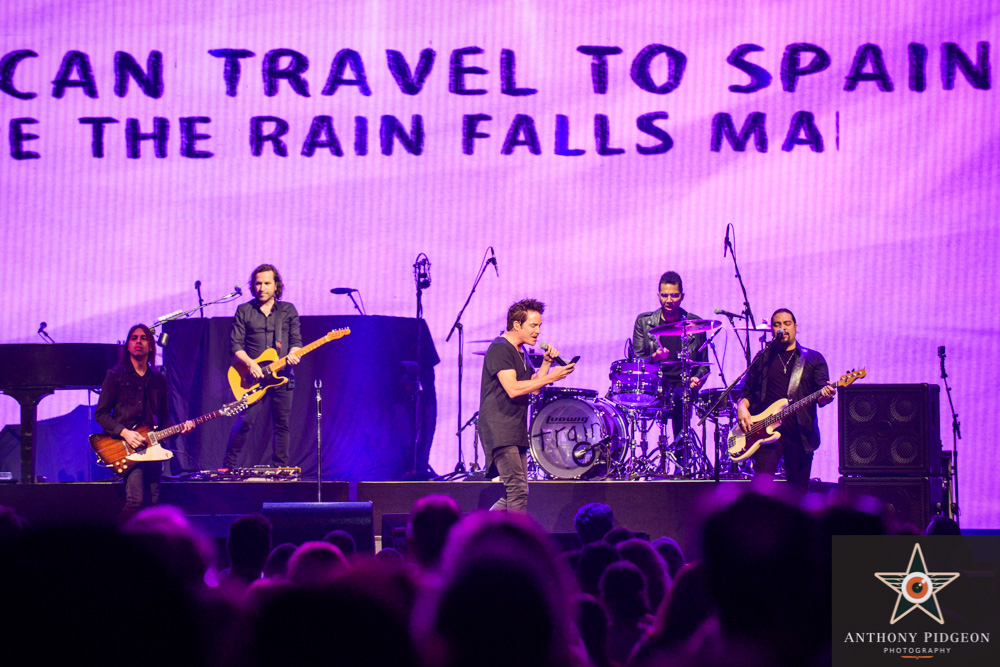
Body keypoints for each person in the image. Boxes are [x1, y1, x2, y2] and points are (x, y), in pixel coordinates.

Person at [478, 298, 575, 513]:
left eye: (539, 325)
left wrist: (547, 364)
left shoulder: (521, 352)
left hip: (515, 428)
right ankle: (514, 534)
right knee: (517, 490)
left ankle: (483, 527)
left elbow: (534, 388)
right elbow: (513, 388)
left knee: (517, 491)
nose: (538, 331)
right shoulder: (500, 348)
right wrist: (553, 377)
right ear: (517, 325)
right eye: (533, 325)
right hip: (500, 427)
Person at [95, 324, 194, 522]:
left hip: (153, 446)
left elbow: (163, 418)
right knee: (135, 501)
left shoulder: (158, 379)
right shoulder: (115, 375)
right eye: (133, 338)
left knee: (154, 502)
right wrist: (124, 432)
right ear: (128, 345)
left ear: (150, 346)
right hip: (127, 447)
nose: (138, 341)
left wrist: (179, 429)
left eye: (143, 338)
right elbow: (101, 414)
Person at [736, 308, 836, 493]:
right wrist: (741, 405)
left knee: (798, 493)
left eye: (787, 324)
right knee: (760, 491)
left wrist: (826, 396)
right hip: (766, 432)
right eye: (777, 325)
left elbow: (822, 397)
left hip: (800, 434)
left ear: (796, 327)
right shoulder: (763, 358)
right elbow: (747, 390)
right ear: (772, 330)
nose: (782, 328)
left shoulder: (813, 358)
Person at [224, 264, 302, 468]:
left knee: (282, 424)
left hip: (282, 375)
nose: (262, 288)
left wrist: (294, 352)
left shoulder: (288, 310)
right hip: (253, 377)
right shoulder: (244, 310)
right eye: (258, 283)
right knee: (245, 421)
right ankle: (228, 467)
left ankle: (280, 469)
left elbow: (296, 340)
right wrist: (250, 364)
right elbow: (235, 345)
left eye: (267, 283)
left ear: (276, 286)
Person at [631, 271, 710, 439]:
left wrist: (697, 379)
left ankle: (680, 451)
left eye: (674, 295)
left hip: (684, 386)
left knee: (680, 399)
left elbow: (703, 366)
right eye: (664, 295)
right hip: (654, 385)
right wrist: (654, 358)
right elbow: (636, 361)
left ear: (682, 296)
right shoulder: (644, 322)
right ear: (658, 296)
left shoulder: (696, 324)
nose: (669, 300)